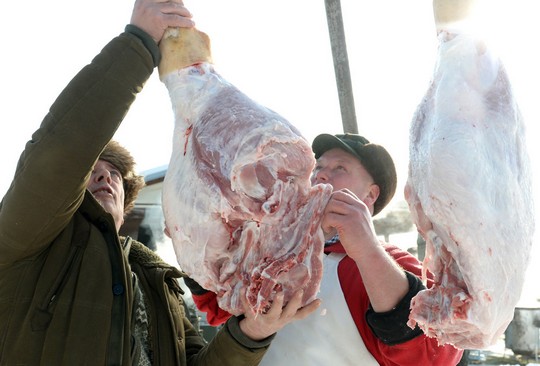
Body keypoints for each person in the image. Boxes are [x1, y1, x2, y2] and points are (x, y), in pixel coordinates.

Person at [0, 1, 319, 364]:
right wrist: (136, 44)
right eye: (91, 170)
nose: (104, 176)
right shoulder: (27, 244)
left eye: (114, 174)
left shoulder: (156, 278)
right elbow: (60, 154)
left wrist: (250, 334)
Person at [185, 133, 465, 365]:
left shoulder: (392, 263)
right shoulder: (269, 251)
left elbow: (435, 355)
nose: (320, 176)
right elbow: (215, 306)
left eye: (339, 168)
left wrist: (367, 250)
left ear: (370, 194)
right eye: (317, 168)